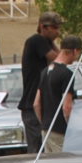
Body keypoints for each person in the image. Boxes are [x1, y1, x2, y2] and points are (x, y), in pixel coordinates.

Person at [19, 11, 61, 151]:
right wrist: (51, 42)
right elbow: (59, 59)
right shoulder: (36, 40)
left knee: (45, 147)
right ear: (43, 27)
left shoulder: (45, 42)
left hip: (40, 105)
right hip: (32, 106)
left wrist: (52, 41)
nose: (58, 32)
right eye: (54, 28)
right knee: (37, 148)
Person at [35, 36, 82, 154]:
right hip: (60, 131)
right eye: (78, 53)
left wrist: (44, 123)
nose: (76, 58)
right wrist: (72, 129)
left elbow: (36, 104)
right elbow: (67, 107)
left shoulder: (44, 71)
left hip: (46, 129)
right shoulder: (67, 74)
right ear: (75, 51)